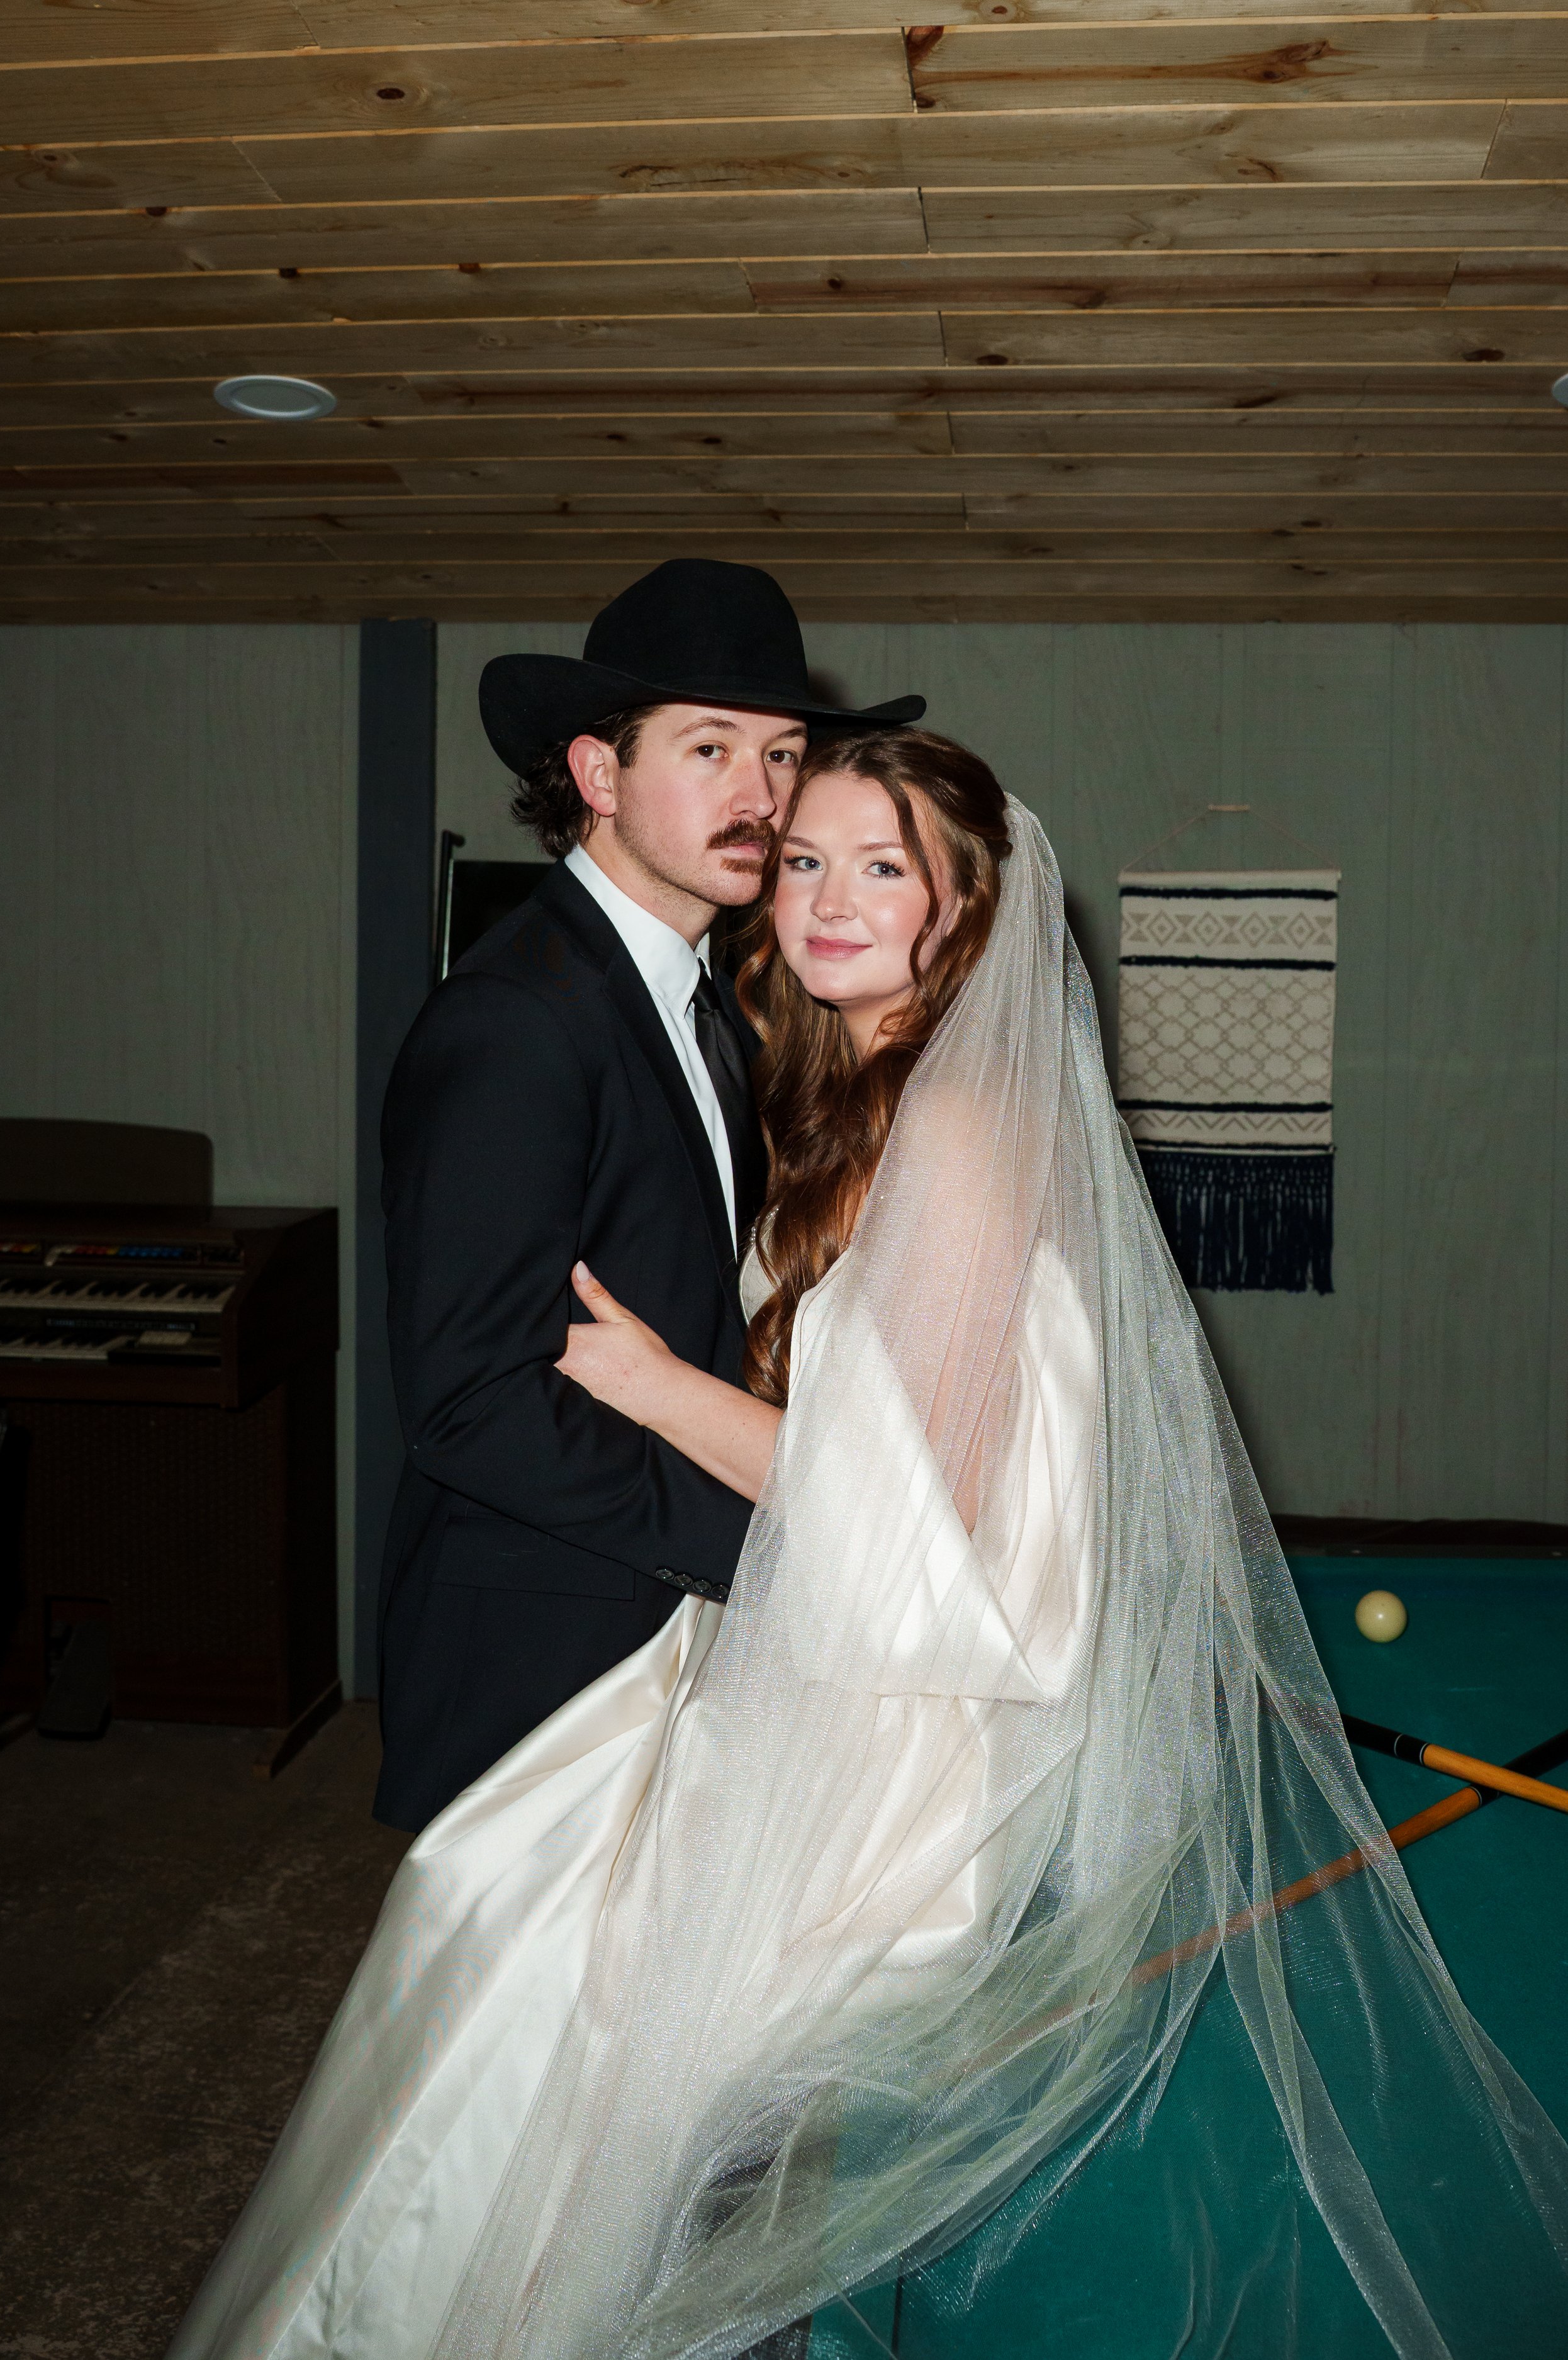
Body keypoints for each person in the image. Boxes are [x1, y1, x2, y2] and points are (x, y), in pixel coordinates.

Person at [173, 733, 1568, 2360]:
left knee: (612, 2058)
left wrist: (650, 1381)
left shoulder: (962, 1132)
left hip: (890, 1742)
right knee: (530, 1977)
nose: (827, 899)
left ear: (960, 907)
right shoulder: (858, 1088)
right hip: (820, 1669)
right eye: (808, 860)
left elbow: (901, 1520)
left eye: (880, 865)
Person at [371, 556, 923, 1829]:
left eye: (783, 756)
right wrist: (771, 1547)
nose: (761, 796)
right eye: (711, 749)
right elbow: (469, 1402)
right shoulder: (515, 1020)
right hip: (541, 1661)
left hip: (668, 1631)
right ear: (598, 775)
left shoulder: (710, 1006)